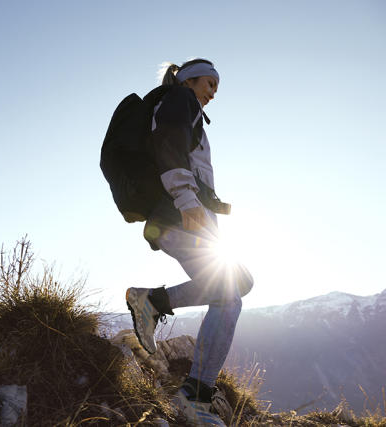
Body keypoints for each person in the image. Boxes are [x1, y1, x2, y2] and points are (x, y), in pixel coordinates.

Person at [125, 59, 254, 425]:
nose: (212, 92)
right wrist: (186, 199)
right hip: (177, 215)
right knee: (230, 294)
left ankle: (151, 301)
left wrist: (213, 203)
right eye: (208, 83)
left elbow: (186, 162)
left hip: (179, 215)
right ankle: (194, 396)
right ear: (188, 80)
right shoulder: (181, 100)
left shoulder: (186, 107)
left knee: (237, 285)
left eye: (217, 87)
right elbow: (168, 146)